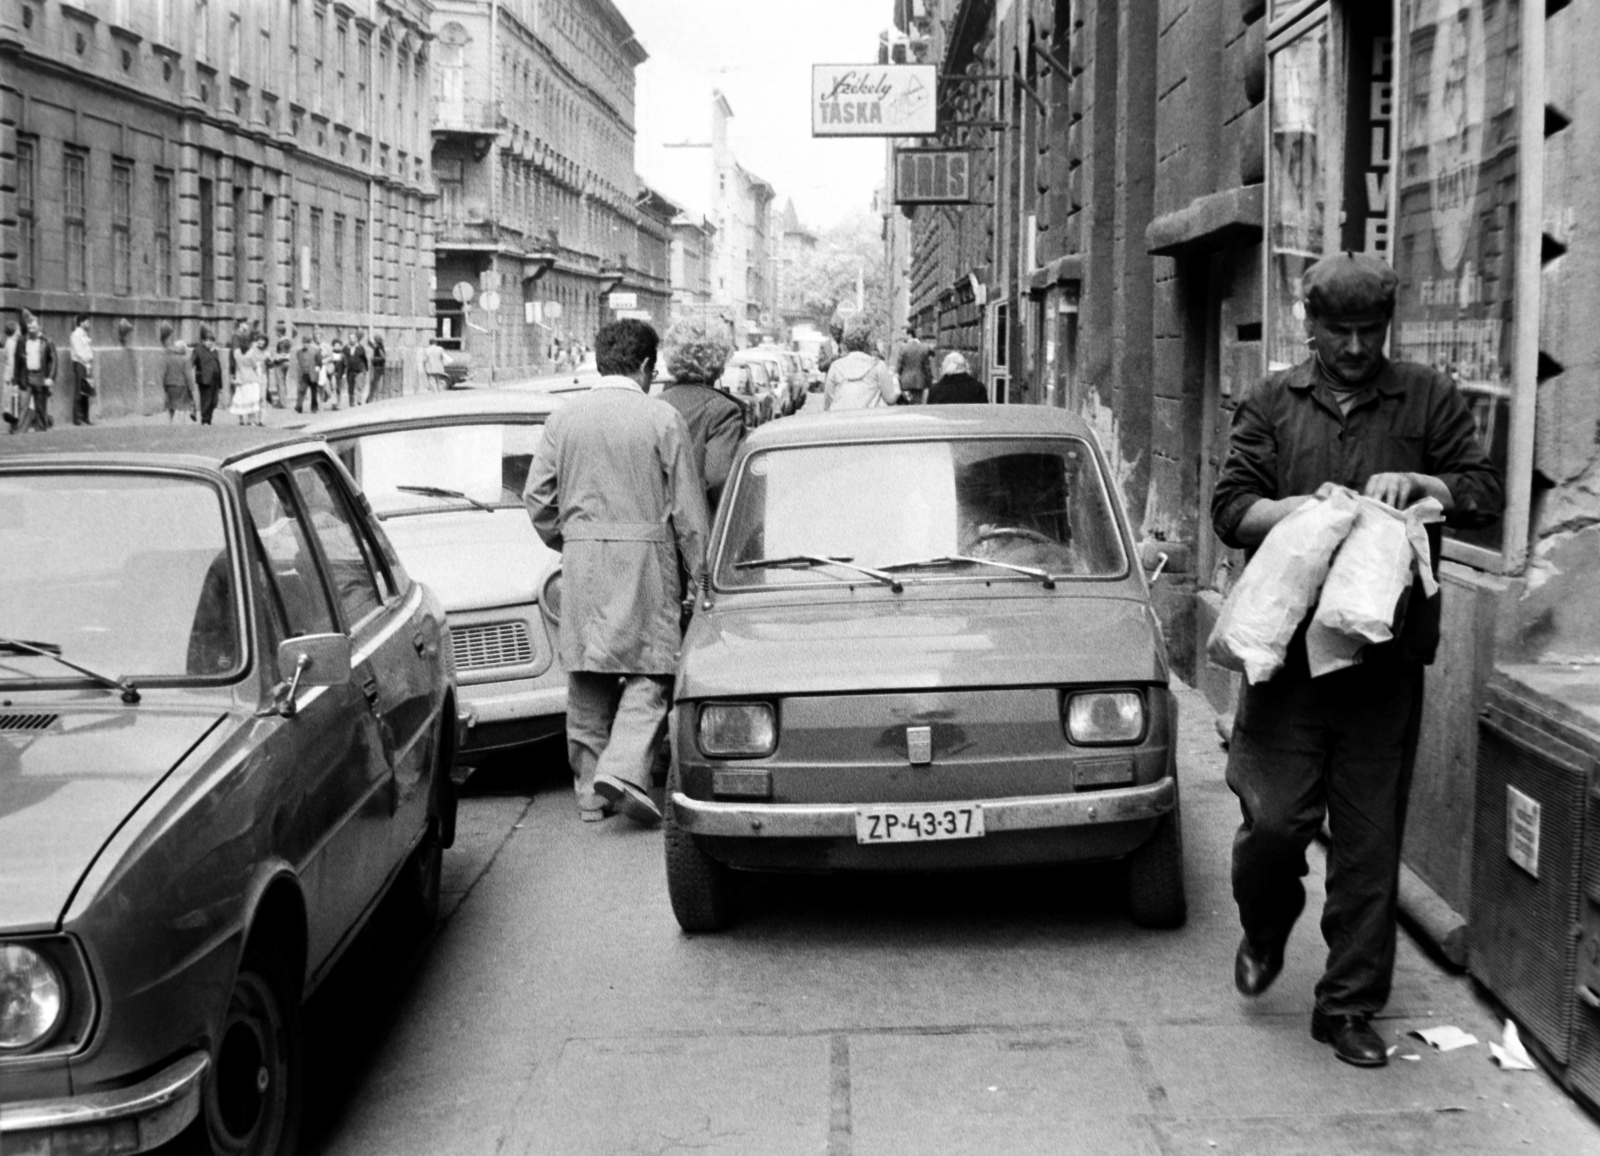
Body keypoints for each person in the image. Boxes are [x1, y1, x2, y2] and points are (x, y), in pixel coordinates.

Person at [1212, 252, 1505, 1069]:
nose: (1352, 347)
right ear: (1308, 326)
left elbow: (1482, 489)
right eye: (1336, 331)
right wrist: (1300, 512)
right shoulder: (1273, 402)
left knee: (1370, 844)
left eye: (1368, 331)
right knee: (1273, 827)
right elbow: (1230, 508)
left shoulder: (1426, 397)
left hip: (1383, 664)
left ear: (1388, 328)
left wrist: (1425, 484)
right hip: (1288, 667)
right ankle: (1265, 927)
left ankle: (1346, 1007)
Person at [523, 319, 710, 826]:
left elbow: (537, 498)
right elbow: (689, 515)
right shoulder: (661, 418)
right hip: (645, 560)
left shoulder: (564, 420)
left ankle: (589, 791)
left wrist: (571, 541)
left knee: (587, 672)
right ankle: (625, 767)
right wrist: (704, 577)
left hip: (582, 559)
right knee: (653, 668)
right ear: (648, 366)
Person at [658, 317, 746, 513]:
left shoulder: (654, 405)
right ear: (719, 359)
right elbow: (719, 477)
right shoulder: (722, 411)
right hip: (705, 528)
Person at [823, 316, 900, 410]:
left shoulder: (835, 366)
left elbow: (828, 400)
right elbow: (890, 399)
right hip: (868, 420)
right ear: (868, 344)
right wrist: (896, 383)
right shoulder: (878, 365)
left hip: (840, 419)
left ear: (847, 344)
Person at [13, 313, 56, 432]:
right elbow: (17, 361)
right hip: (25, 377)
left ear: (39, 328)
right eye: (29, 327)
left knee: (41, 407)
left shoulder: (47, 341)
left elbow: (53, 360)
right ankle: (20, 431)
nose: (31, 329)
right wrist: (15, 382)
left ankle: (41, 430)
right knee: (23, 406)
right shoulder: (22, 341)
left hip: (40, 377)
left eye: (33, 327)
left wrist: (50, 377)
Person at [158, 323, 194, 422]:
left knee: (171, 405)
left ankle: (169, 423)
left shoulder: (170, 358)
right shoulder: (185, 359)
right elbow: (188, 375)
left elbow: (164, 373)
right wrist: (191, 387)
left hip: (170, 385)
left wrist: (165, 386)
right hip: (182, 386)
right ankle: (182, 424)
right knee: (183, 407)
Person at [188, 326, 224, 425]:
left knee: (214, 401)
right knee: (206, 401)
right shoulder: (198, 350)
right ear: (203, 341)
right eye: (207, 340)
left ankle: (209, 418)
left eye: (211, 341)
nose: (209, 342)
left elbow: (218, 367)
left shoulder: (214, 351)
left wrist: (221, 385)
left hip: (215, 380)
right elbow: (191, 362)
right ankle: (205, 420)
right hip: (204, 379)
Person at [230, 334, 267, 425]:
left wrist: (235, 376)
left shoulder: (237, 353)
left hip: (241, 378)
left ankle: (241, 420)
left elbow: (236, 365)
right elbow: (254, 365)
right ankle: (252, 420)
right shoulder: (251, 353)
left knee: (240, 399)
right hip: (251, 379)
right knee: (252, 400)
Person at [893, 325, 933, 404]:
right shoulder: (924, 348)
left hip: (905, 383)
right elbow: (927, 368)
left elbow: (899, 367)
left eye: (904, 335)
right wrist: (929, 383)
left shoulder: (903, 348)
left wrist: (897, 379)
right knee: (917, 405)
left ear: (909, 335)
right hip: (919, 382)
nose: (903, 338)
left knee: (906, 406)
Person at [68, 313, 94, 425]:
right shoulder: (76, 335)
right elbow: (79, 352)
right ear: (81, 322)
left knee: (86, 391)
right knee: (79, 391)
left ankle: (85, 417)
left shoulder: (84, 334)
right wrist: (88, 359)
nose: (89, 324)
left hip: (86, 364)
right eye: (87, 321)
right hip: (80, 364)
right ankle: (77, 418)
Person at [294, 328, 321, 414]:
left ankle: (314, 407)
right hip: (304, 374)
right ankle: (299, 406)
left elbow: (319, 361)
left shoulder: (316, 351)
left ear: (310, 343)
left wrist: (317, 368)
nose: (305, 345)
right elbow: (299, 362)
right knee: (301, 390)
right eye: (303, 343)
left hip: (313, 374)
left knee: (314, 392)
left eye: (307, 343)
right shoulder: (299, 352)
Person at [266, 328, 291, 408]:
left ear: (279, 333)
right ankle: (284, 401)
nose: (276, 333)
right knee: (283, 383)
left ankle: (282, 403)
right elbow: (287, 353)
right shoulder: (288, 341)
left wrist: (273, 359)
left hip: (280, 363)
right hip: (287, 362)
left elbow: (280, 354)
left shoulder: (280, 341)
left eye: (276, 332)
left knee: (279, 383)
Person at [2, 320, 18, 431]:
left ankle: (13, 423)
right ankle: (13, 424)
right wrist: (13, 376)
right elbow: (12, 360)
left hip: (8, 375)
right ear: (15, 331)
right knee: (14, 400)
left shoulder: (9, 342)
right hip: (11, 376)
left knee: (11, 400)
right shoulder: (12, 343)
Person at [365, 333, 387, 402]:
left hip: (378, 367)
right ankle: (371, 397)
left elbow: (383, 357)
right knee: (374, 382)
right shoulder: (379, 346)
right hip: (379, 367)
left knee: (374, 383)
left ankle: (371, 398)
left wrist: (375, 358)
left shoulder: (378, 347)